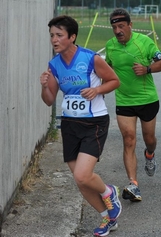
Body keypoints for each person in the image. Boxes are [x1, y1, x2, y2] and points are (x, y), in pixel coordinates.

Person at [40, 15, 121, 236]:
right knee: (81, 181)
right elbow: (49, 99)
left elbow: (114, 80)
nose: (54, 40)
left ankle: (109, 191)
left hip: (94, 121)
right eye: (51, 36)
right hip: (69, 124)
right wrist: (44, 86)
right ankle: (107, 218)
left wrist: (97, 90)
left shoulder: (91, 58)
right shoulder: (54, 64)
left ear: (72, 37)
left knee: (83, 175)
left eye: (59, 35)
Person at [105, 8, 161, 202]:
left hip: (147, 99)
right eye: (114, 27)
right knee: (129, 139)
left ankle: (150, 154)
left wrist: (147, 69)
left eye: (121, 26)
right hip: (124, 100)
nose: (117, 31)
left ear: (130, 25)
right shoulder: (110, 46)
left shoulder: (144, 42)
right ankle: (133, 184)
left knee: (149, 139)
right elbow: (107, 68)